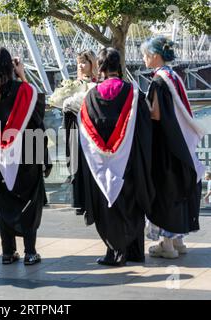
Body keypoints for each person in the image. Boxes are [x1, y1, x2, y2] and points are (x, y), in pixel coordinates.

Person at [77, 48, 154, 266]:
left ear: (100, 66)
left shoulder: (91, 96)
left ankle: (115, 253)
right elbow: (144, 127)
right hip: (129, 159)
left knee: (108, 205)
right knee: (132, 200)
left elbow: (86, 127)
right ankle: (136, 251)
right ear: (118, 66)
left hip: (102, 161)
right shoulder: (134, 92)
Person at [0, 47, 52, 266]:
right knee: (28, 201)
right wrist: (22, 76)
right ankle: (30, 252)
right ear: (11, 65)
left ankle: (7, 252)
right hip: (27, 153)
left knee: (4, 202)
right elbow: (37, 116)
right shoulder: (25, 90)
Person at [142, 36, 205, 259]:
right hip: (181, 145)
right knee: (180, 189)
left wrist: (139, 110)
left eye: (146, 54)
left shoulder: (159, 81)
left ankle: (166, 245)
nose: (144, 58)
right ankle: (179, 242)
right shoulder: (174, 76)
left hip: (165, 147)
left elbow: (156, 114)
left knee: (165, 191)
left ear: (155, 55)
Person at [62, 50, 98, 217]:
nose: (81, 66)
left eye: (84, 62)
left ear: (92, 63)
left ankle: (93, 200)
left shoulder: (98, 83)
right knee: (77, 161)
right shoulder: (75, 83)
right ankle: (80, 201)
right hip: (76, 127)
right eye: (79, 62)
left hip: (92, 129)